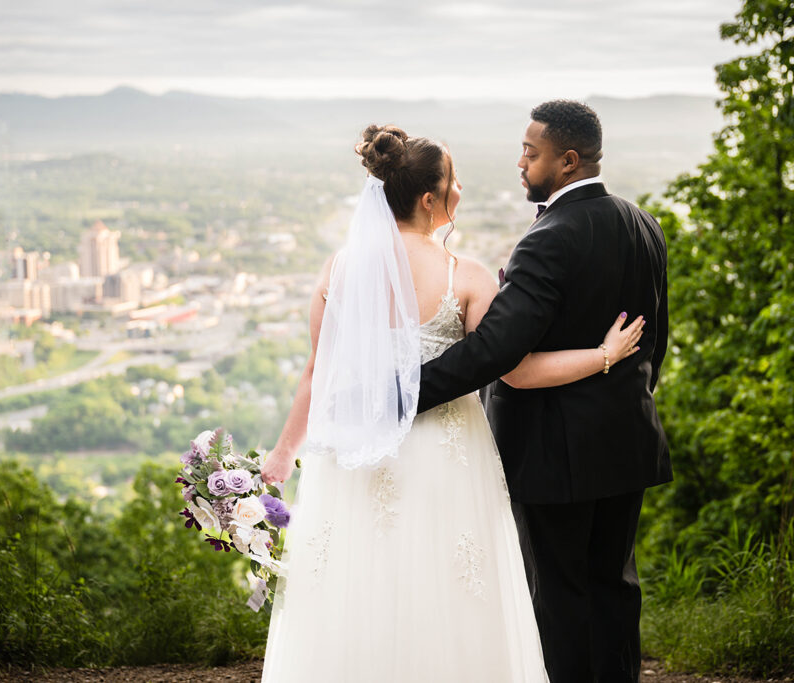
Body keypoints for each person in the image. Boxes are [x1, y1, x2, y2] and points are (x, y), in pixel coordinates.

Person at [259, 124, 645, 683]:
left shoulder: (337, 270)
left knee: (359, 588)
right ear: (429, 198)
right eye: (455, 180)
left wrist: (280, 455)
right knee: (444, 592)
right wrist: (602, 355)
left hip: (355, 458)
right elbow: (517, 370)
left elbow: (316, 373)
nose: (460, 189)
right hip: (444, 458)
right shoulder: (464, 277)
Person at [415, 100, 672, 683]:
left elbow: (497, 351)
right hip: (627, 438)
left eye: (531, 153)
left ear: (568, 160)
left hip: (554, 453)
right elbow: (656, 340)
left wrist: (405, 392)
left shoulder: (549, 238)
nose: (521, 163)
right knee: (615, 586)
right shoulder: (641, 222)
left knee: (558, 597)